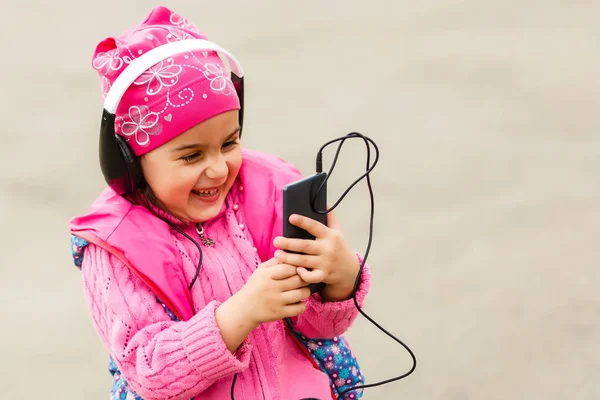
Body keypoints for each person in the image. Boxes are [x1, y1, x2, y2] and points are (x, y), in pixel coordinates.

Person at [69, 5, 370, 400]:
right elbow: (149, 372)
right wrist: (240, 313)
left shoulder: (273, 193)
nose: (218, 170)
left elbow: (322, 327)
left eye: (229, 143)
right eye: (191, 156)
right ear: (129, 161)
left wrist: (341, 279)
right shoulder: (117, 249)